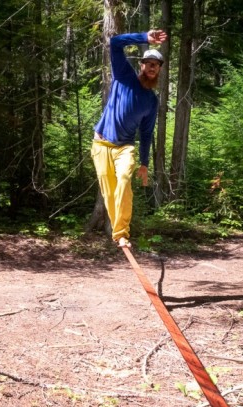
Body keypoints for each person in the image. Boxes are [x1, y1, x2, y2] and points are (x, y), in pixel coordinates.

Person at [91, 29, 168, 249]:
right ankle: (117, 232)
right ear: (142, 65)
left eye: (157, 64)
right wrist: (145, 37)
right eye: (149, 63)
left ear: (159, 70)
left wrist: (145, 163)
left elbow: (146, 133)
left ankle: (122, 233)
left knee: (124, 180)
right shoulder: (124, 76)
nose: (152, 67)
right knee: (108, 189)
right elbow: (115, 42)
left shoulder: (151, 101)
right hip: (101, 143)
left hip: (125, 147)